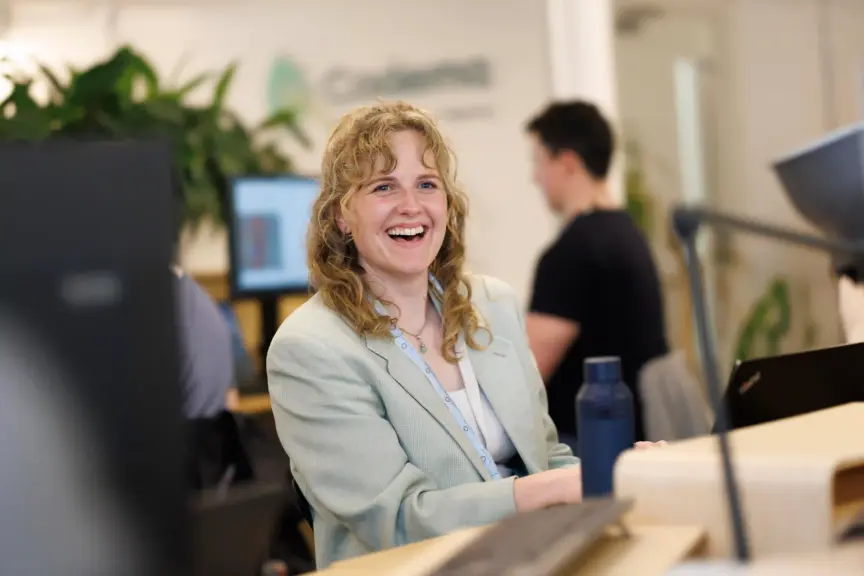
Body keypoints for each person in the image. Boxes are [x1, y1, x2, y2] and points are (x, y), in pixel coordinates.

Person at [267, 101, 584, 568]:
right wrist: (539, 492)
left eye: (427, 184)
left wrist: (621, 476)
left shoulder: (492, 305)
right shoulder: (309, 349)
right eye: (383, 187)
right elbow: (396, 520)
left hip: (533, 557)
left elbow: (546, 456)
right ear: (341, 216)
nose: (411, 206)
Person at [524, 101, 669, 448]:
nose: (535, 177)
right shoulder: (627, 233)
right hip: (634, 435)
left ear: (569, 163)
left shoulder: (572, 252)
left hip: (591, 448)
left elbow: (526, 375)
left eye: (539, 161)